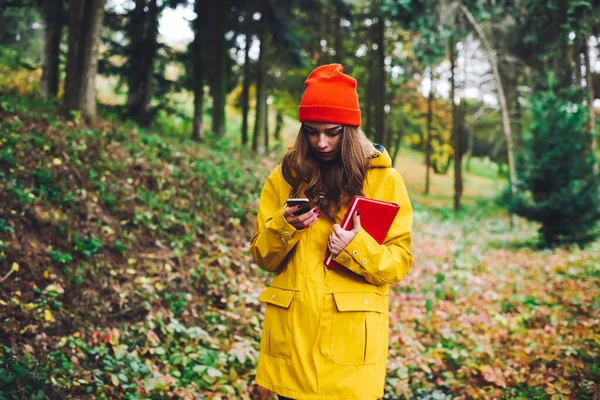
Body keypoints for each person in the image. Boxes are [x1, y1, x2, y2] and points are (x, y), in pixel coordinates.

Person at [250, 63, 414, 400]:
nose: (321, 142)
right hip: (292, 346)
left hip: (350, 355)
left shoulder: (383, 180)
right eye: (311, 131)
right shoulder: (285, 177)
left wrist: (356, 247)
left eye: (332, 131)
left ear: (350, 130)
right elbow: (262, 257)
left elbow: (398, 263)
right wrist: (285, 226)